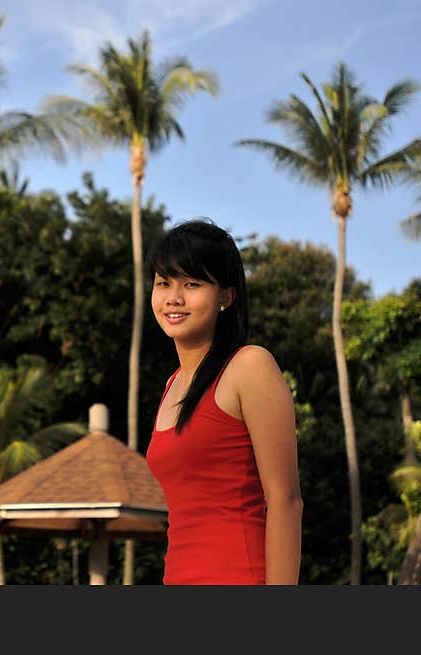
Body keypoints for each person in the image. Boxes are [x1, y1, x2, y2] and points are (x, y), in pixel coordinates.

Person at [144, 219, 303, 585]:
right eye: (163, 283)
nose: (173, 298)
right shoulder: (171, 386)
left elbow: (285, 501)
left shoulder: (249, 366)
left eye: (192, 284)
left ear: (226, 297)